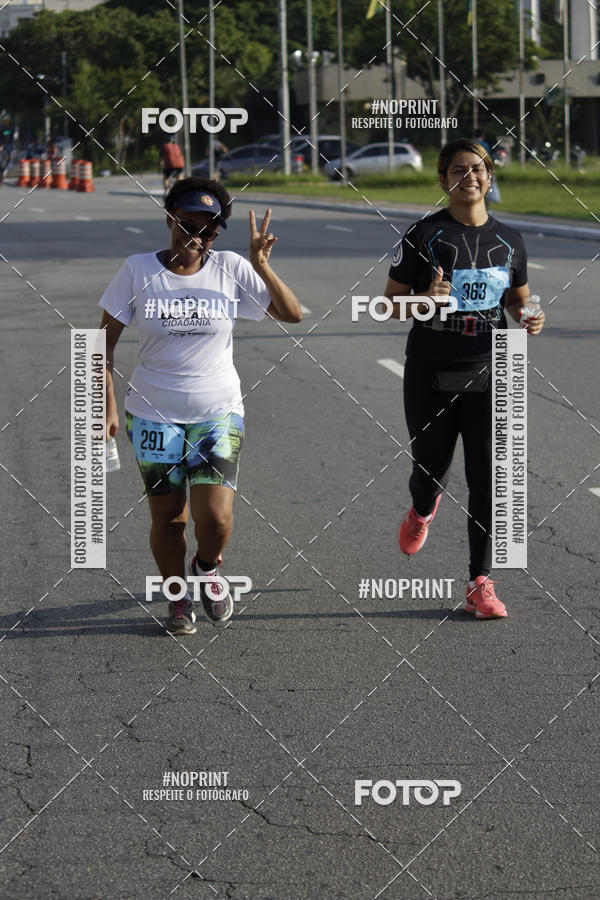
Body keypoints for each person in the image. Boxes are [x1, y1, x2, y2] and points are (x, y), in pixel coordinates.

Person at [99, 176, 302, 635]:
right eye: (186, 224)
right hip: (152, 415)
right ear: (169, 218)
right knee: (169, 520)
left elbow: (293, 314)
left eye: (208, 231)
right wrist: (105, 405)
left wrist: (263, 266)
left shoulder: (230, 267)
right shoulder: (136, 270)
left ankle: (208, 568)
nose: (195, 237)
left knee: (216, 518)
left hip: (218, 412)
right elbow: (100, 345)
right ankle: (177, 598)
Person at [384, 139, 545, 619]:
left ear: (489, 178)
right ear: (443, 179)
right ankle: (423, 506)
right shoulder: (424, 234)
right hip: (432, 370)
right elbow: (390, 302)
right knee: (431, 468)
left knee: (489, 479)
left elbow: (519, 300)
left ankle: (480, 581)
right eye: (458, 169)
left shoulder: (510, 239)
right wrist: (425, 299)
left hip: (495, 368)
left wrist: (532, 315)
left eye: (478, 169)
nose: (469, 177)